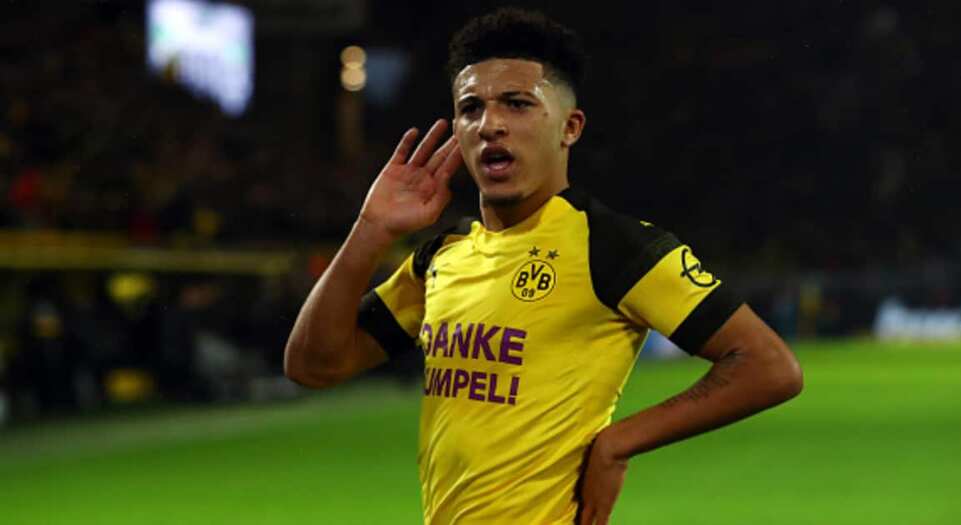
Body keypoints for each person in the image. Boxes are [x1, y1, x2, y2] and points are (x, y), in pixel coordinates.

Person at [284, 8, 802, 525]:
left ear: (569, 127)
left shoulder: (613, 247)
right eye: (471, 108)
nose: (490, 125)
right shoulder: (443, 256)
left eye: (517, 104)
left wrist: (618, 442)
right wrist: (370, 230)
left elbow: (768, 366)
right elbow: (314, 366)